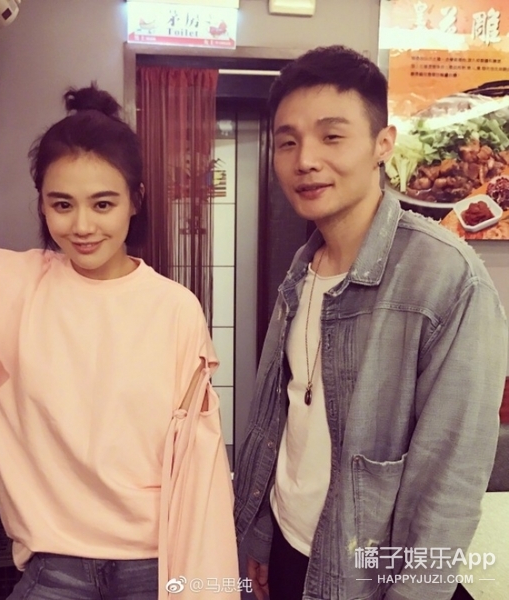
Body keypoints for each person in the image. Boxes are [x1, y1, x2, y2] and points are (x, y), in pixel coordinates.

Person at [0, 85, 238, 599]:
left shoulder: (175, 308)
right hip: (53, 565)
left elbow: (199, 463)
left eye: (103, 203)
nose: (82, 226)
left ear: (136, 200)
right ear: (41, 203)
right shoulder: (8, 284)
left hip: (157, 561)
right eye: (61, 204)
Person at [234, 45, 508, 600]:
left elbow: (450, 483)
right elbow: (283, 420)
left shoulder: (447, 278)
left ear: (383, 144)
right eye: (288, 142)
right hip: (289, 546)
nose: (305, 160)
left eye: (332, 136)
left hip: (365, 574)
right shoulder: (301, 270)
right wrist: (261, 534)